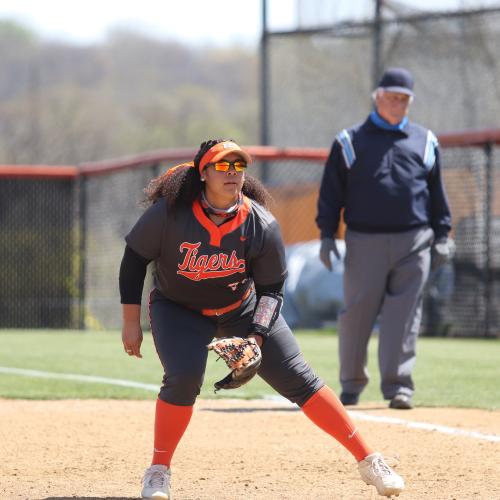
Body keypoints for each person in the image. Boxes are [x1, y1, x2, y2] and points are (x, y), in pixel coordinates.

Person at [119, 138, 405, 499]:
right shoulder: (170, 213)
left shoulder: (260, 223)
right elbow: (133, 261)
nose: (232, 174)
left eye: (239, 166)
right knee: (184, 376)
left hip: (242, 307)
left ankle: (369, 460)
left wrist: (255, 340)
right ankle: (159, 470)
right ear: (203, 173)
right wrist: (131, 322)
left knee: (301, 378)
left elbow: (271, 290)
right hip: (179, 309)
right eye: (222, 166)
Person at [316, 67, 453, 411]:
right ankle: (351, 384)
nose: (397, 103)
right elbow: (331, 193)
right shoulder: (349, 141)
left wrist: (442, 234)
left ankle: (398, 387)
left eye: (404, 99)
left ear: (411, 102)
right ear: (377, 97)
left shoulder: (425, 140)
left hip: (415, 240)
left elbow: (437, 193)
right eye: (391, 96)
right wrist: (327, 235)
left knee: (404, 316)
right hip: (364, 240)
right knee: (357, 313)